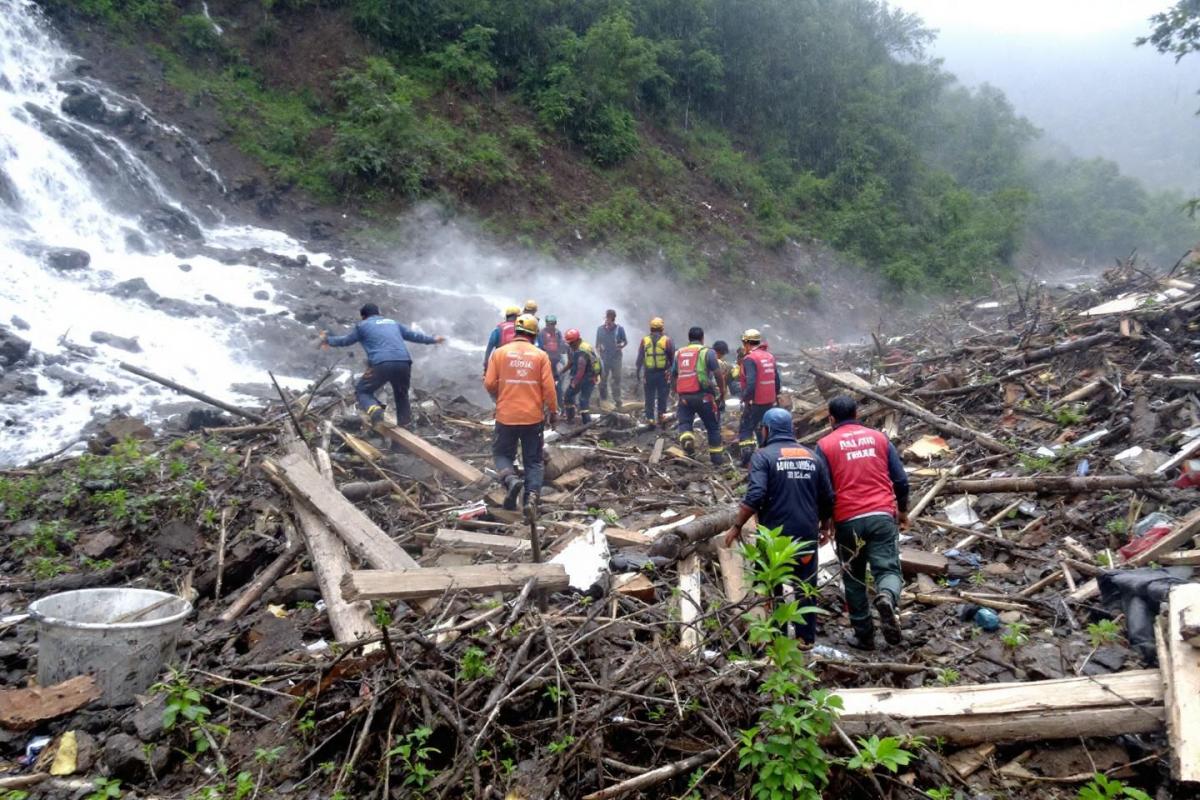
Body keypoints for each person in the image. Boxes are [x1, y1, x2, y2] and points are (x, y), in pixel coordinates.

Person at [723, 407, 834, 646]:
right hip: (806, 533)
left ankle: (778, 639)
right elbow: (827, 497)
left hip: (774, 537)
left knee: (773, 586)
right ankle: (806, 642)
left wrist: (737, 525)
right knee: (805, 588)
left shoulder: (762, 456)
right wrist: (824, 527)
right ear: (791, 429)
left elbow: (755, 495)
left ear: (766, 430)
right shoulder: (812, 456)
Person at [816, 395, 910, 650]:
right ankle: (887, 597)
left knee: (854, 578)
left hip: (848, 520)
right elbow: (900, 480)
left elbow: (824, 492)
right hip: (881, 515)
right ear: (857, 415)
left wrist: (825, 524)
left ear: (831, 419)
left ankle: (864, 636)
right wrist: (902, 511)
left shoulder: (824, 445)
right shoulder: (879, 438)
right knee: (888, 569)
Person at [320, 303, 445, 426]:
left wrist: (327, 340)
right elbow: (414, 336)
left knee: (363, 391)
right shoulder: (393, 323)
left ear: (363, 316)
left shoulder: (362, 326)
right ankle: (406, 425)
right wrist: (433, 340)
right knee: (401, 395)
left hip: (381, 363)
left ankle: (375, 410)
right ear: (378, 313)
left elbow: (345, 341)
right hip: (403, 362)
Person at [484, 314, 558, 512]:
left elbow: (489, 383)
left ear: (516, 332)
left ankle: (510, 479)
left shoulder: (499, 353)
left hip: (505, 415)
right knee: (533, 460)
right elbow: (550, 389)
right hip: (532, 417)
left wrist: (500, 396)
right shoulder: (540, 355)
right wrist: (553, 411)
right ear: (534, 335)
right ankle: (531, 498)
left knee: (501, 453)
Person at [673, 326, 726, 465]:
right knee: (712, 427)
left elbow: (673, 375)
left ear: (689, 338)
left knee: (685, 423)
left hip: (684, 396)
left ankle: (689, 449)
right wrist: (722, 392)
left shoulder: (679, 353)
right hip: (704, 396)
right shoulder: (707, 352)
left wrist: (677, 392)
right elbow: (718, 374)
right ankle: (717, 460)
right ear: (702, 338)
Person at [737, 329, 780, 466]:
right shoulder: (769, 356)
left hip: (755, 401)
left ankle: (747, 459)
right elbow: (777, 380)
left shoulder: (750, 358)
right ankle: (766, 457)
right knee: (764, 428)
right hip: (769, 401)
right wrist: (775, 395)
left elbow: (751, 382)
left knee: (746, 428)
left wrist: (745, 398)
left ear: (746, 343)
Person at [636, 317, 674, 425]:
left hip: (649, 374)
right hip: (663, 374)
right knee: (662, 397)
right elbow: (672, 359)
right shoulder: (667, 340)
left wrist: (638, 372)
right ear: (662, 328)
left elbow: (640, 358)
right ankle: (662, 418)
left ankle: (650, 419)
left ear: (651, 328)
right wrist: (672, 373)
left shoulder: (645, 340)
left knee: (649, 397)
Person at [563, 328, 601, 424]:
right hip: (581, 377)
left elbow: (581, 370)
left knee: (583, 400)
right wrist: (560, 372)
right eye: (569, 343)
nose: (570, 345)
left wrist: (573, 383)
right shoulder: (574, 348)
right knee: (568, 396)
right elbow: (570, 362)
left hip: (588, 378)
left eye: (571, 343)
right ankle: (570, 419)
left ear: (577, 340)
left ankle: (586, 424)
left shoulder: (583, 351)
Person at [594, 309, 627, 408]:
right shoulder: (600, 329)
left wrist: (620, 346)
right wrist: (599, 349)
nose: (607, 320)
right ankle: (604, 400)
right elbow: (597, 344)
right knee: (602, 380)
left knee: (616, 379)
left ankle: (617, 400)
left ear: (613, 318)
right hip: (604, 358)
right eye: (606, 317)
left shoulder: (619, 329)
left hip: (616, 358)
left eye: (609, 317)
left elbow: (625, 341)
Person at [536, 314, 567, 407]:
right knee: (543, 383)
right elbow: (540, 347)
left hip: (556, 361)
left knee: (558, 384)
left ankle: (560, 405)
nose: (551, 326)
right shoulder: (541, 333)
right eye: (549, 324)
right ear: (546, 324)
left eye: (553, 324)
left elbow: (561, 345)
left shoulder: (558, 333)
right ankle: (543, 405)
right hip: (545, 361)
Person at [483, 305, 521, 373]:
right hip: (517, 364)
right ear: (517, 317)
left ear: (506, 317)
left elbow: (489, 348)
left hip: (501, 363)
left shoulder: (498, 330)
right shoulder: (522, 330)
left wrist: (486, 366)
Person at [712, 340, 736, 422]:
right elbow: (722, 378)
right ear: (720, 352)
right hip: (717, 392)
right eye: (723, 354)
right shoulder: (719, 362)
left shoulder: (707, 358)